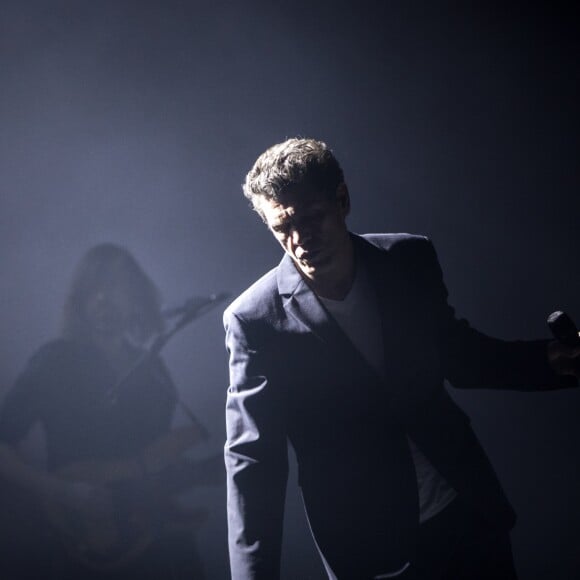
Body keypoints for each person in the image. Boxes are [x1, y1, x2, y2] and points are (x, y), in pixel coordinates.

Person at [223, 138, 580, 580]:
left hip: (466, 516)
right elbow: (254, 460)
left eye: (312, 218)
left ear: (342, 199)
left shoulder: (407, 258)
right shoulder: (255, 320)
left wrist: (552, 359)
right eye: (283, 228)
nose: (301, 242)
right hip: (372, 551)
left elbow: (459, 355)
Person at [0, 243, 207, 579]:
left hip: (157, 543)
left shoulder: (153, 370)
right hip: (78, 545)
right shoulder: (53, 361)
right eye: (93, 290)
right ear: (79, 301)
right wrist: (63, 492)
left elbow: (154, 458)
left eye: (114, 287)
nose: (102, 299)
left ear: (136, 297)